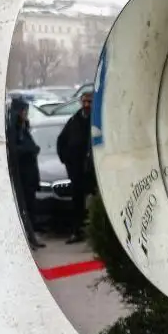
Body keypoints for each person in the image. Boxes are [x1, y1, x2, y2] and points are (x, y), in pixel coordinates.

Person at [55, 91, 96, 244]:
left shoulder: (96, 120)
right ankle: (77, 232)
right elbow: (61, 141)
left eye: (89, 102)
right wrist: (67, 161)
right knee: (77, 203)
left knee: (95, 203)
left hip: (94, 172)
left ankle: (96, 234)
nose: (87, 105)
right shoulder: (74, 121)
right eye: (84, 101)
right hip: (77, 172)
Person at [5, 96, 45, 249]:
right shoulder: (13, 130)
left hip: (30, 176)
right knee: (24, 209)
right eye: (24, 111)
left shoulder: (23, 128)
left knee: (31, 207)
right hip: (21, 177)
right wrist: (30, 149)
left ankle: (32, 237)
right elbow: (14, 150)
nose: (25, 114)